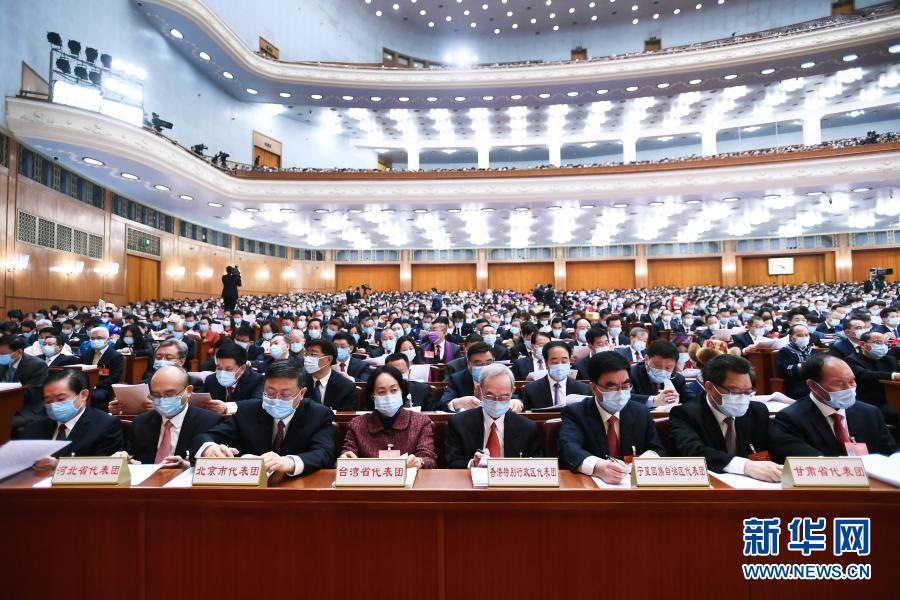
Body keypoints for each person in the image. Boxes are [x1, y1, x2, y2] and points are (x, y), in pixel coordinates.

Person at [193, 360, 335, 477]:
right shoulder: (248, 410)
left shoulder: (318, 414)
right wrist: (209, 448)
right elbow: (205, 437)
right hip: (252, 486)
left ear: (302, 393)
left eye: (285, 395)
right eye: (270, 393)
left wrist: (289, 462)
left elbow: (323, 453)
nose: (276, 399)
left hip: (297, 486)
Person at [558, 351, 665, 484]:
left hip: (633, 486)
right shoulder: (576, 413)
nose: (620, 393)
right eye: (611, 387)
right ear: (593, 388)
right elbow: (569, 449)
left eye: (625, 386)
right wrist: (597, 467)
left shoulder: (640, 412)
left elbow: (657, 448)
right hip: (591, 488)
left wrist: (645, 461)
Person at [670, 355, 781, 482]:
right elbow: (693, 452)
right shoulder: (685, 414)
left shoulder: (756, 411)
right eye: (735, 391)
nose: (742, 398)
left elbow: (777, 445)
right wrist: (745, 466)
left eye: (747, 392)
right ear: (710, 387)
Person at [769, 353, 896, 461]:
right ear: (813, 385)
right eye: (838, 383)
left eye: (852, 381)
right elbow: (807, 462)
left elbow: (890, 452)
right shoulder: (791, 418)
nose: (849, 389)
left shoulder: (870, 412)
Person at [444, 363, 541, 468]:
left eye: (504, 397)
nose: (496, 402)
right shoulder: (459, 423)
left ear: (512, 391)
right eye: (490, 396)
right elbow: (451, 462)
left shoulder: (527, 428)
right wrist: (473, 463)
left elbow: (536, 465)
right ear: (480, 390)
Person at [23, 370, 124, 469]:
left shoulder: (105, 425)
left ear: (83, 395)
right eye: (48, 401)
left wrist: (58, 465)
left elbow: (105, 468)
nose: (54, 405)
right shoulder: (35, 427)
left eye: (61, 399)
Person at [339, 365, 436, 468]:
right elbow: (346, 455)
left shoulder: (421, 422)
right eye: (381, 392)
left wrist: (420, 462)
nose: (389, 396)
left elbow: (429, 459)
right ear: (373, 397)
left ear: (401, 391)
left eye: (394, 390)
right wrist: (345, 459)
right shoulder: (357, 424)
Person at [128, 366, 222, 465]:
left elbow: (211, 464)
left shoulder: (209, 422)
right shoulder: (140, 422)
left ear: (189, 391)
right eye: (156, 395)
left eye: (169, 394)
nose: (162, 400)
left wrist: (189, 466)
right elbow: (133, 457)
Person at [439, 342, 522, 413]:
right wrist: (457, 403)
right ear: (469, 364)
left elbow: (516, 399)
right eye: (478, 364)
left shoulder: (501, 378)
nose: (484, 367)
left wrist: (516, 403)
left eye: (488, 363)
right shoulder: (456, 379)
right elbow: (442, 404)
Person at [842, 331, 900, 425]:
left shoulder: (889, 359)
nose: (883, 346)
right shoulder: (851, 360)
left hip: (894, 397)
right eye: (878, 343)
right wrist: (893, 375)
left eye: (885, 343)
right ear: (862, 344)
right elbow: (865, 375)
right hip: (870, 401)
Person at [521, 340, 591, 410]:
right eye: (555, 362)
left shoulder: (583, 389)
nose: (560, 365)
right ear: (546, 363)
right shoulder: (531, 389)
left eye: (564, 361)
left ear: (570, 361)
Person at [1, 334, 50, 431]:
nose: (0, 356)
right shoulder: (2, 363)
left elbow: (32, 394)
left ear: (19, 352)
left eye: (3, 354)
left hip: (26, 407)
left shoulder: (37, 365)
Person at [201, 343, 265, 416]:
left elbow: (258, 403)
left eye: (228, 369)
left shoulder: (257, 380)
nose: (222, 373)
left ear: (242, 369)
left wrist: (227, 407)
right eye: (219, 368)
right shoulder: (211, 380)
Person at [629, 339, 692, 407]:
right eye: (657, 365)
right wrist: (654, 400)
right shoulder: (631, 374)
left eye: (668, 367)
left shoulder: (678, 379)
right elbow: (626, 398)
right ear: (646, 359)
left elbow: (692, 401)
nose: (662, 371)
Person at [304, 338, 357, 410]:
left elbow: (345, 415)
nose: (307, 358)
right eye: (306, 354)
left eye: (313, 354)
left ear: (329, 359)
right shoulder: (299, 382)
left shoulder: (346, 386)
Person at [79, 327, 123, 412]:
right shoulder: (86, 354)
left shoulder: (115, 356)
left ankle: (94, 416)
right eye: (92, 338)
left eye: (99, 338)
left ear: (108, 340)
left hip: (104, 387)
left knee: (95, 396)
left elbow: (115, 377)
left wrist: (95, 385)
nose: (95, 340)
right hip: (85, 385)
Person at [775, 324, 816, 399]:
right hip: (796, 383)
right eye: (800, 335)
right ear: (791, 337)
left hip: (815, 382)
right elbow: (783, 369)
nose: (804, 337)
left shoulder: (813, 350)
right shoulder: (784, 351)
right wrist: (802, 366)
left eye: (806, 335)